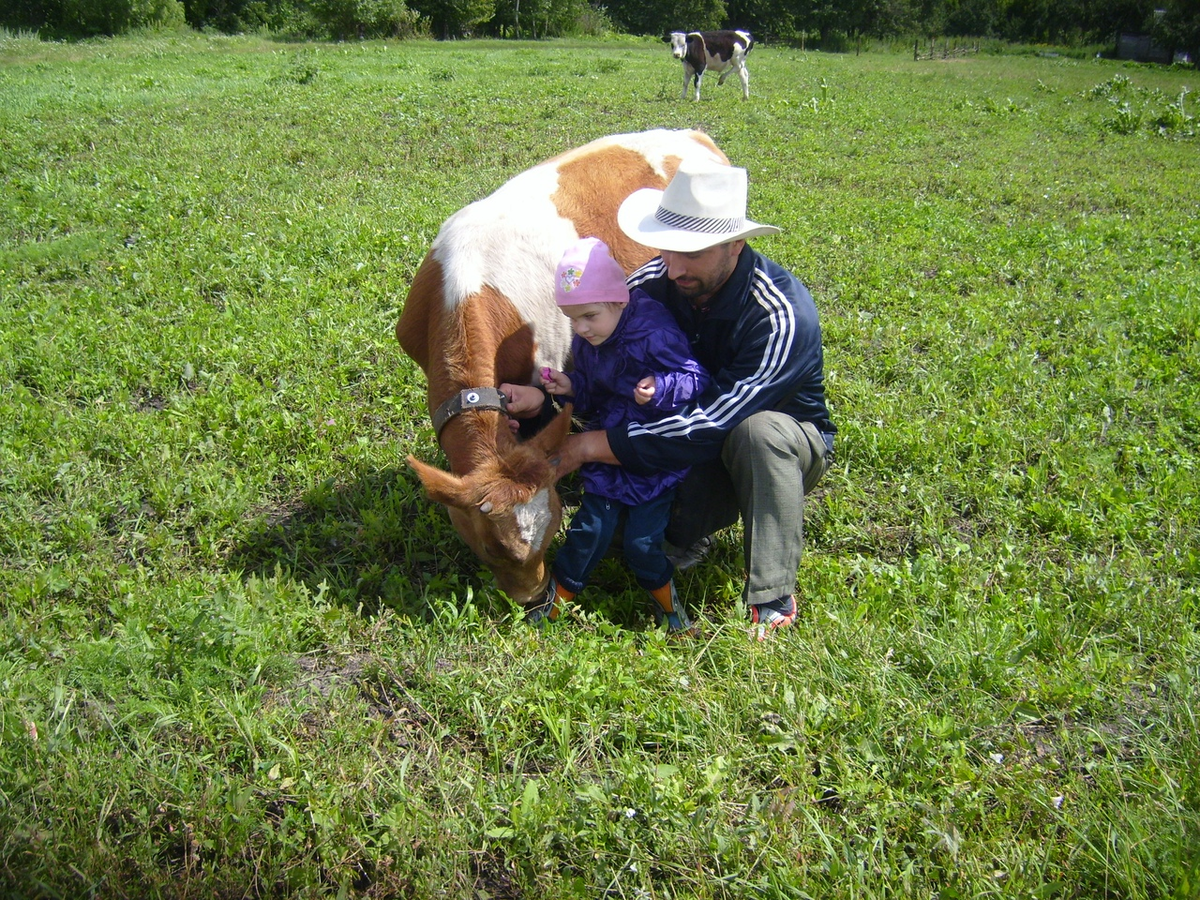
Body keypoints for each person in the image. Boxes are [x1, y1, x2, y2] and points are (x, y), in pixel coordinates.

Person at [549, 158, 835, 638]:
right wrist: (546, 399)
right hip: (679, 438)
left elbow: (717, 422)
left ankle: (771, 593)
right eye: (667, 248)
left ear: (735, 246)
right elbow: (600, 371)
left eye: (694, 252)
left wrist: (591, 446)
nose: (674, 267)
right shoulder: (645, 291)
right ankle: (686, 530)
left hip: (773, 443)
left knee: (757, 433)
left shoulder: (780, 314)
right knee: (621, 540)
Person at [502, 237, 710, 635]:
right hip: (608, 444)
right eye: (571, 319)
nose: (580, 329)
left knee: (642, 544)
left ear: (619, 301)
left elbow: (694, 376)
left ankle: (670, 609)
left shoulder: (653, 330)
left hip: (650, 452)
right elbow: (596, 390)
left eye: (589, 316)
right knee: (587, 532)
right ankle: (555, 605)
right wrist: (571, 385)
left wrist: (661, 388)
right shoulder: (590, 338)